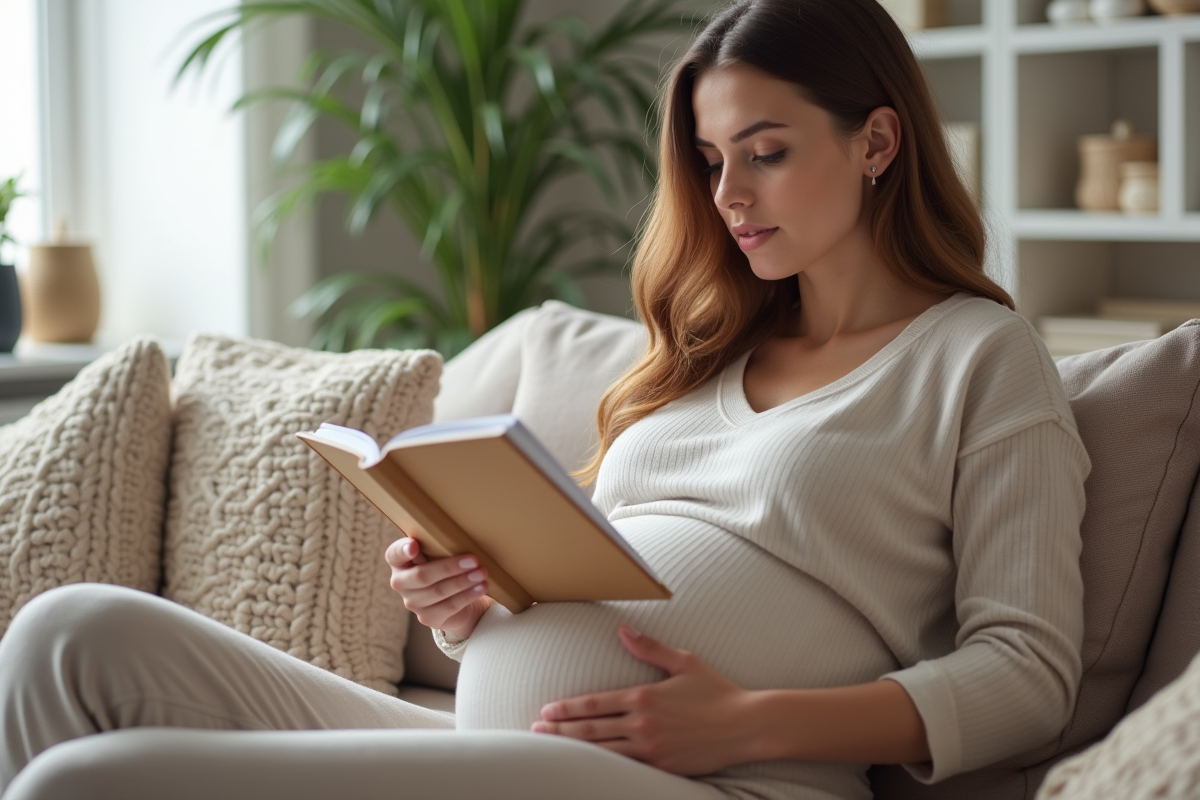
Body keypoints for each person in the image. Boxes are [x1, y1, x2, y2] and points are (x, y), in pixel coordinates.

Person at [0, 1, 1089, 798]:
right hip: (530, 752)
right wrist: (478, 606)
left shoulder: (978, 358)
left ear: (878, 142)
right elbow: (582, 623)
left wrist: (746, 722)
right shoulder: (706, 351)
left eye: (766, 152)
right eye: (711, 160)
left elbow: (1029, 672)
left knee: (86, 783)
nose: (728, 197)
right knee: (68, 633)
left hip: (726, 781)